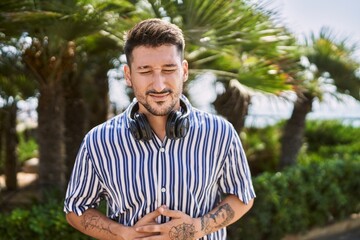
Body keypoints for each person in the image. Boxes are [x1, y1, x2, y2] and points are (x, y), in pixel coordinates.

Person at [64, 18, 255, 240]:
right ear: (128, 75)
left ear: (183, 71)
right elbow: (76, 209)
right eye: (145, 71)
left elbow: (242, 196)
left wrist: (198, 227)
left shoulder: (221, 133)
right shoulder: (98, 141)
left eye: (168, 69)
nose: (159, 85)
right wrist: (123, 234)